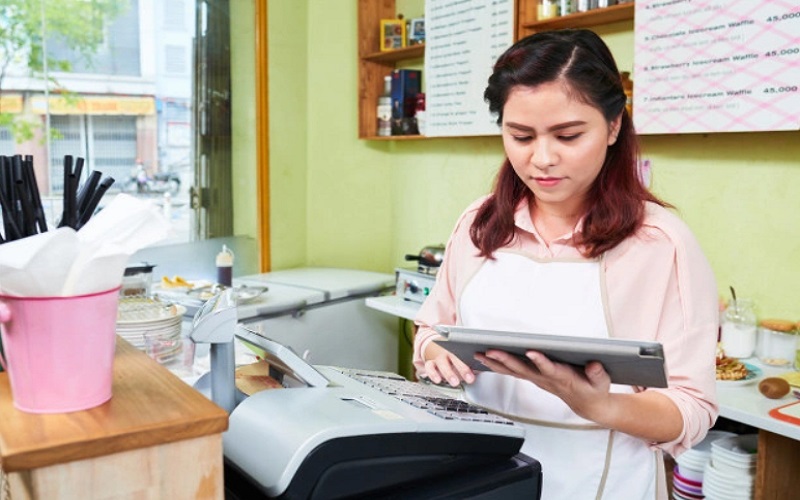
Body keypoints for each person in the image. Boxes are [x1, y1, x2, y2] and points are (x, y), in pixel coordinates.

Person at [412, 29, 719, 500]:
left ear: (614, 126)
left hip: (604, 482)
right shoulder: (479, 222)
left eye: (568, 135)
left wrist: (600, 405)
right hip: (481, 475)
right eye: (520, 136)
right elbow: (433, 329)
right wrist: (438, 355)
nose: (542, 159)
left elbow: (692, 409)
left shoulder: (660, 244)